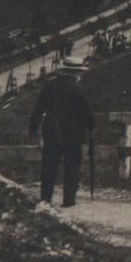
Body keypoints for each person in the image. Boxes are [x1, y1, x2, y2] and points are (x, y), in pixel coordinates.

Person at [28, 58, 95, 207]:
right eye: (78, 72)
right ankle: (69, 200)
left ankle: (46, 199)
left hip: (52, 131)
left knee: (49, 166)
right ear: (74, 72)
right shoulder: (79, 90)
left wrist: (33, 129)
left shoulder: (49, 86)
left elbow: (38, 110)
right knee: (72, 167)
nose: (80, 75)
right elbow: (87, 114)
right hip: (73, 133)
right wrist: (91, 126)